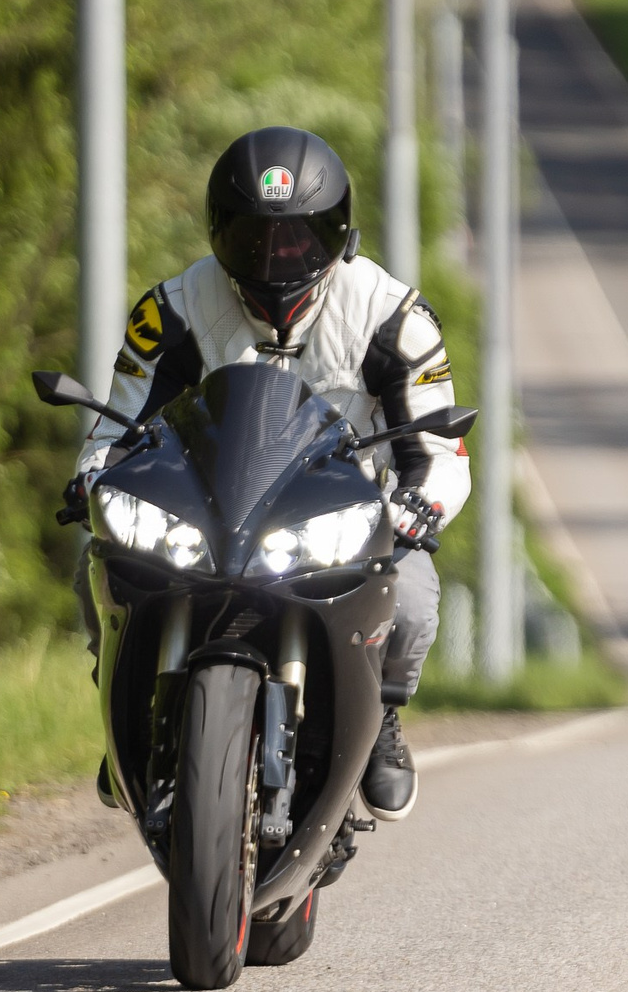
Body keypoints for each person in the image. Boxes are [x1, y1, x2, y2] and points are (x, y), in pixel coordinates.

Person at [73, 127, 469, 819]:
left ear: (339, 233)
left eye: (298, 237)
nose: (276, 256)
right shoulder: (168, 309)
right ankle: (126, 707)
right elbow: (117, 424)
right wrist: (92, 476)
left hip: (344, 522)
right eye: (255, 236)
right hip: (207, 512)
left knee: (409, 599)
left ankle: (381, 718)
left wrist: (418, 506)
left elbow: (439, 451)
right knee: (97, 563)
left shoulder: (394, 316)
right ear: (218, 231)